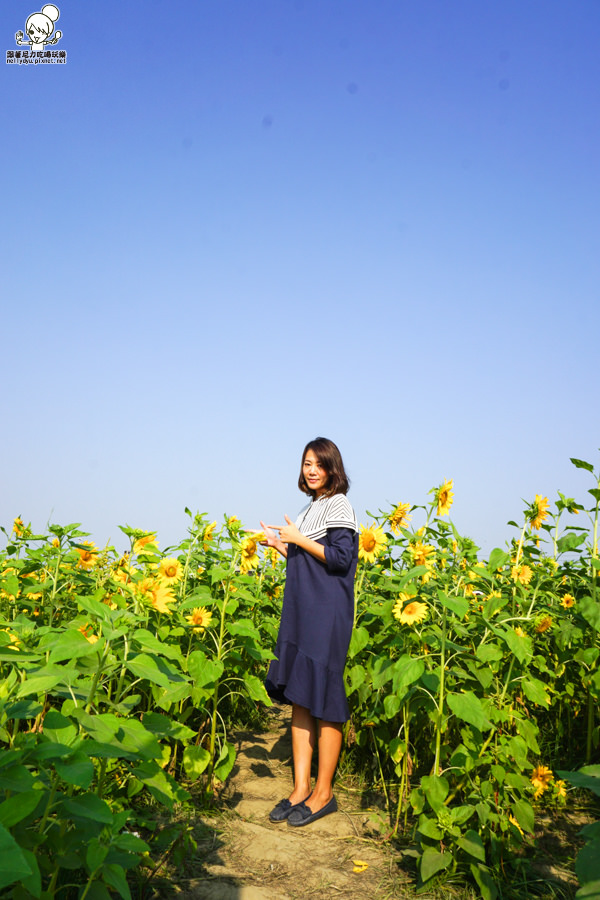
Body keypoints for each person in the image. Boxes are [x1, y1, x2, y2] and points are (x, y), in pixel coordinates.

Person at [260, 437, 358, 827]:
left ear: (333, 467)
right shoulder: (309, 509)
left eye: (318, 463)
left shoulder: (339, 505)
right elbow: (306, 562)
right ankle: (300, 788)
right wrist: (281, 546)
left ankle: (324, 792)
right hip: (301, 612)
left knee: (325, 700)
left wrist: (299, 540)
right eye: (306, 464)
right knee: (301, 698)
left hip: (327, 613)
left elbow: (340, 558)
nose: (311, 470)